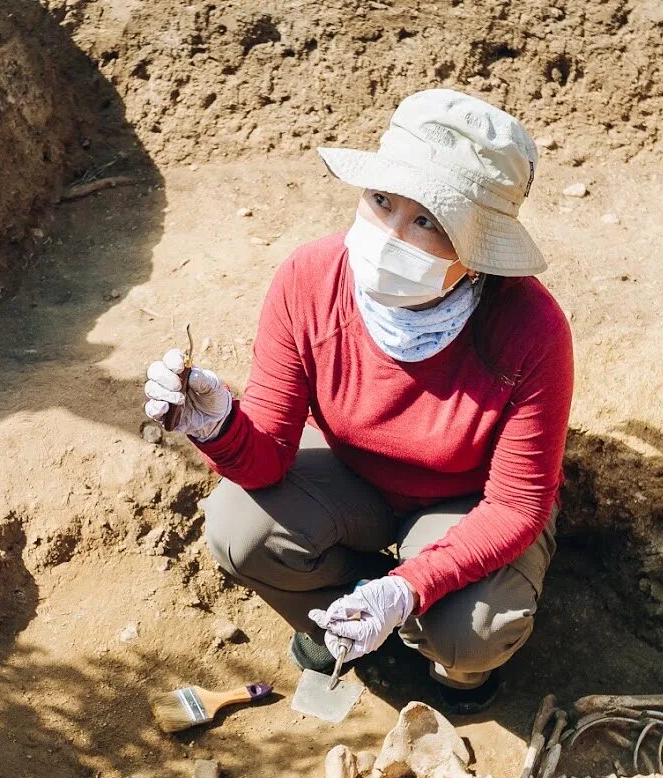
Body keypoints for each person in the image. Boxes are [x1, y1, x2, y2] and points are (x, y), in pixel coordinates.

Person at [143, 89, 573, 714]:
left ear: (479, 251)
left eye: (429, 221)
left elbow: (515, 506)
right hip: (353, 474)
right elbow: (267, 461)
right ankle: (341, 622)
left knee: (472, 630)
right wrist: (221, 428)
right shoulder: (310, 278)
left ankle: (453, 672)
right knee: (241, 531)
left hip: (468, 501)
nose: (390, 235)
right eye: (381, 201)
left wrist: (408, 589)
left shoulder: (531, 330)